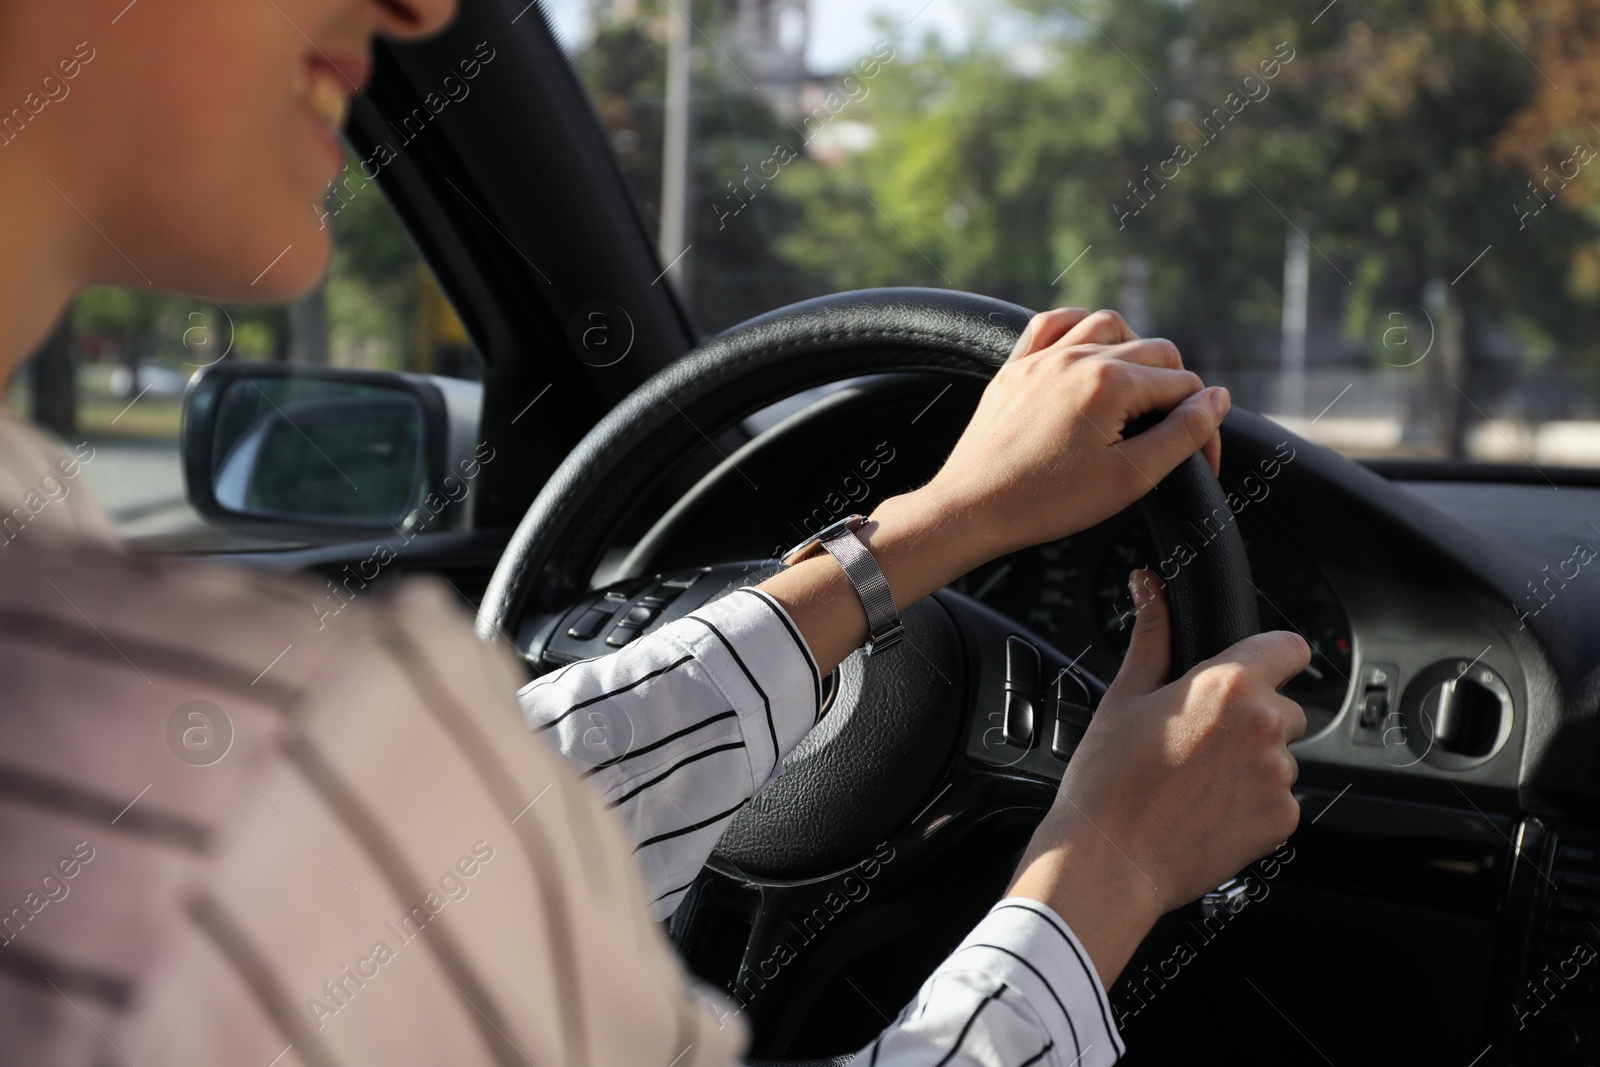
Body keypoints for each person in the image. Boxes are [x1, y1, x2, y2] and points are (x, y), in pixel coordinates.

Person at [0, 1, 1310, 1064]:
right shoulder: (276, 783)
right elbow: (387, 832)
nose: (421, 6)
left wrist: (919, 538)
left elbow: (455, 844)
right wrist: (1111, 871)